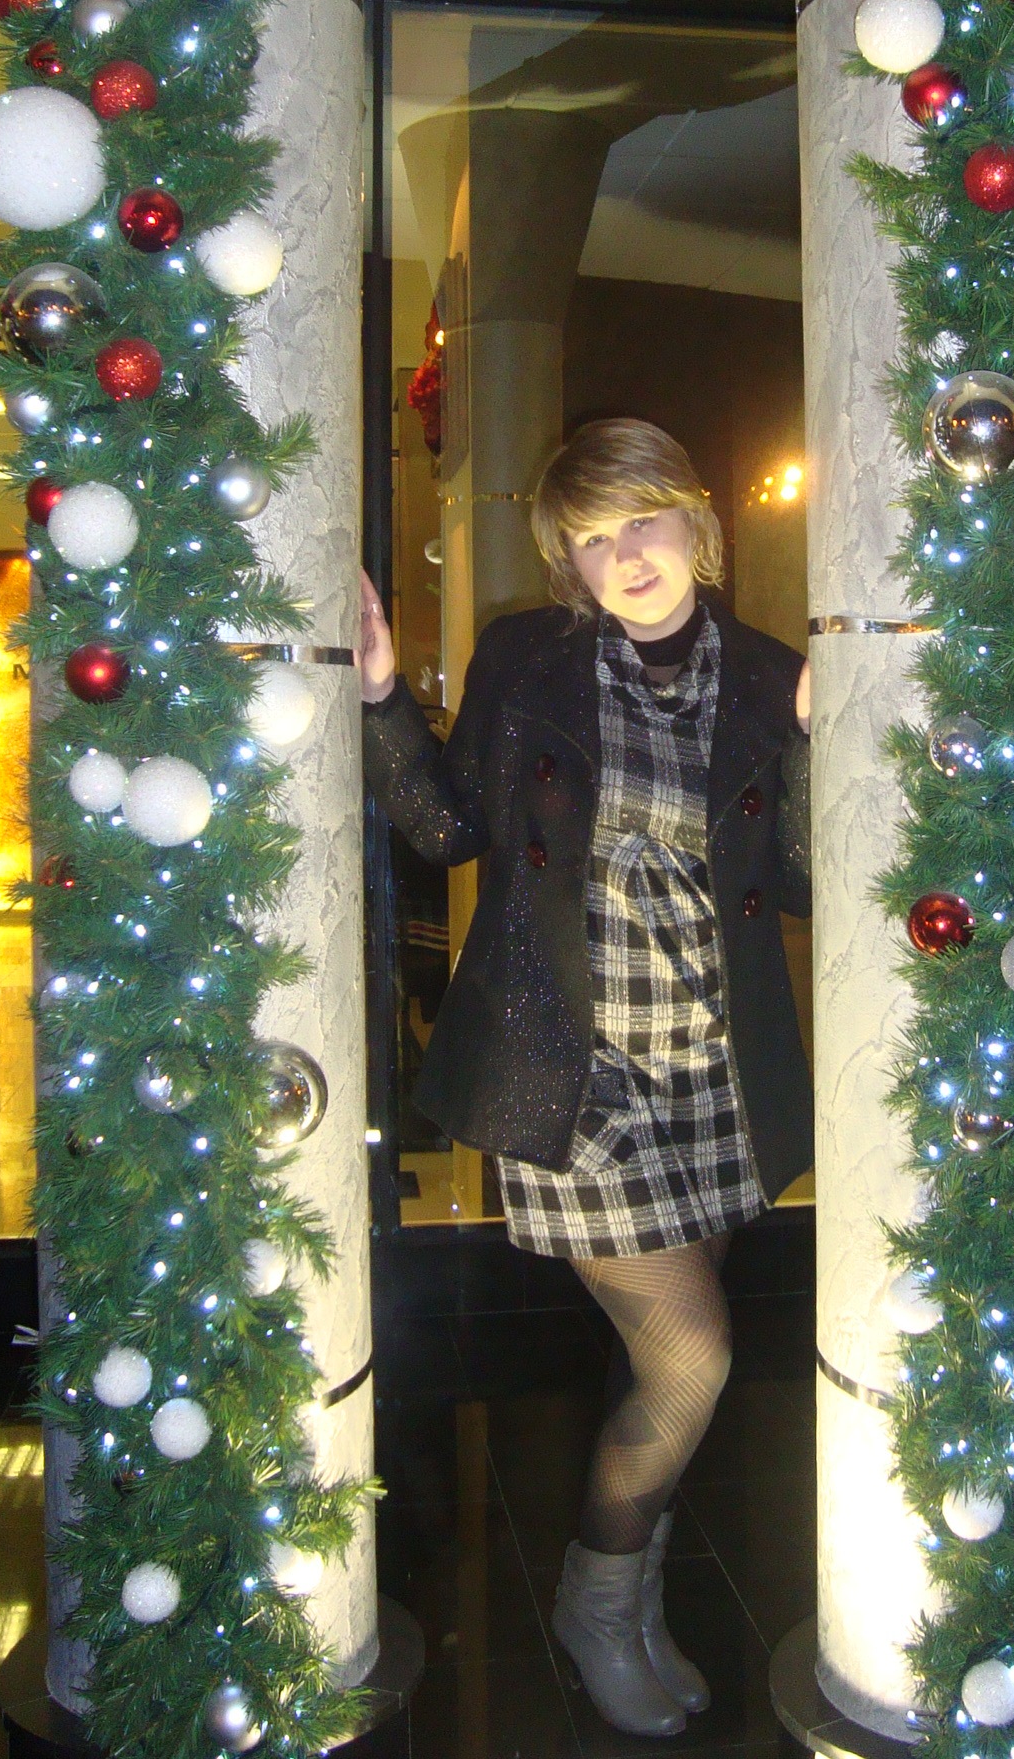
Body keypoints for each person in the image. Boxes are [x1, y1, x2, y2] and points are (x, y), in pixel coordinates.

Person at [360, 417, 811, 1737]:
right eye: (594, 538)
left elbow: (800, 878)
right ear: (567, 560)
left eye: (644, 522)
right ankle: (598, 1602)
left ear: (696, 522)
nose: (627, 557)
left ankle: (635, 1588)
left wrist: (815, 743)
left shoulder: (771, 675)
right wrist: (381, 699)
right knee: (694, 1358)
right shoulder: (528, 658)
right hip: (577, 1075)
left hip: (715, 1074)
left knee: (665, 1363)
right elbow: (448, 826)